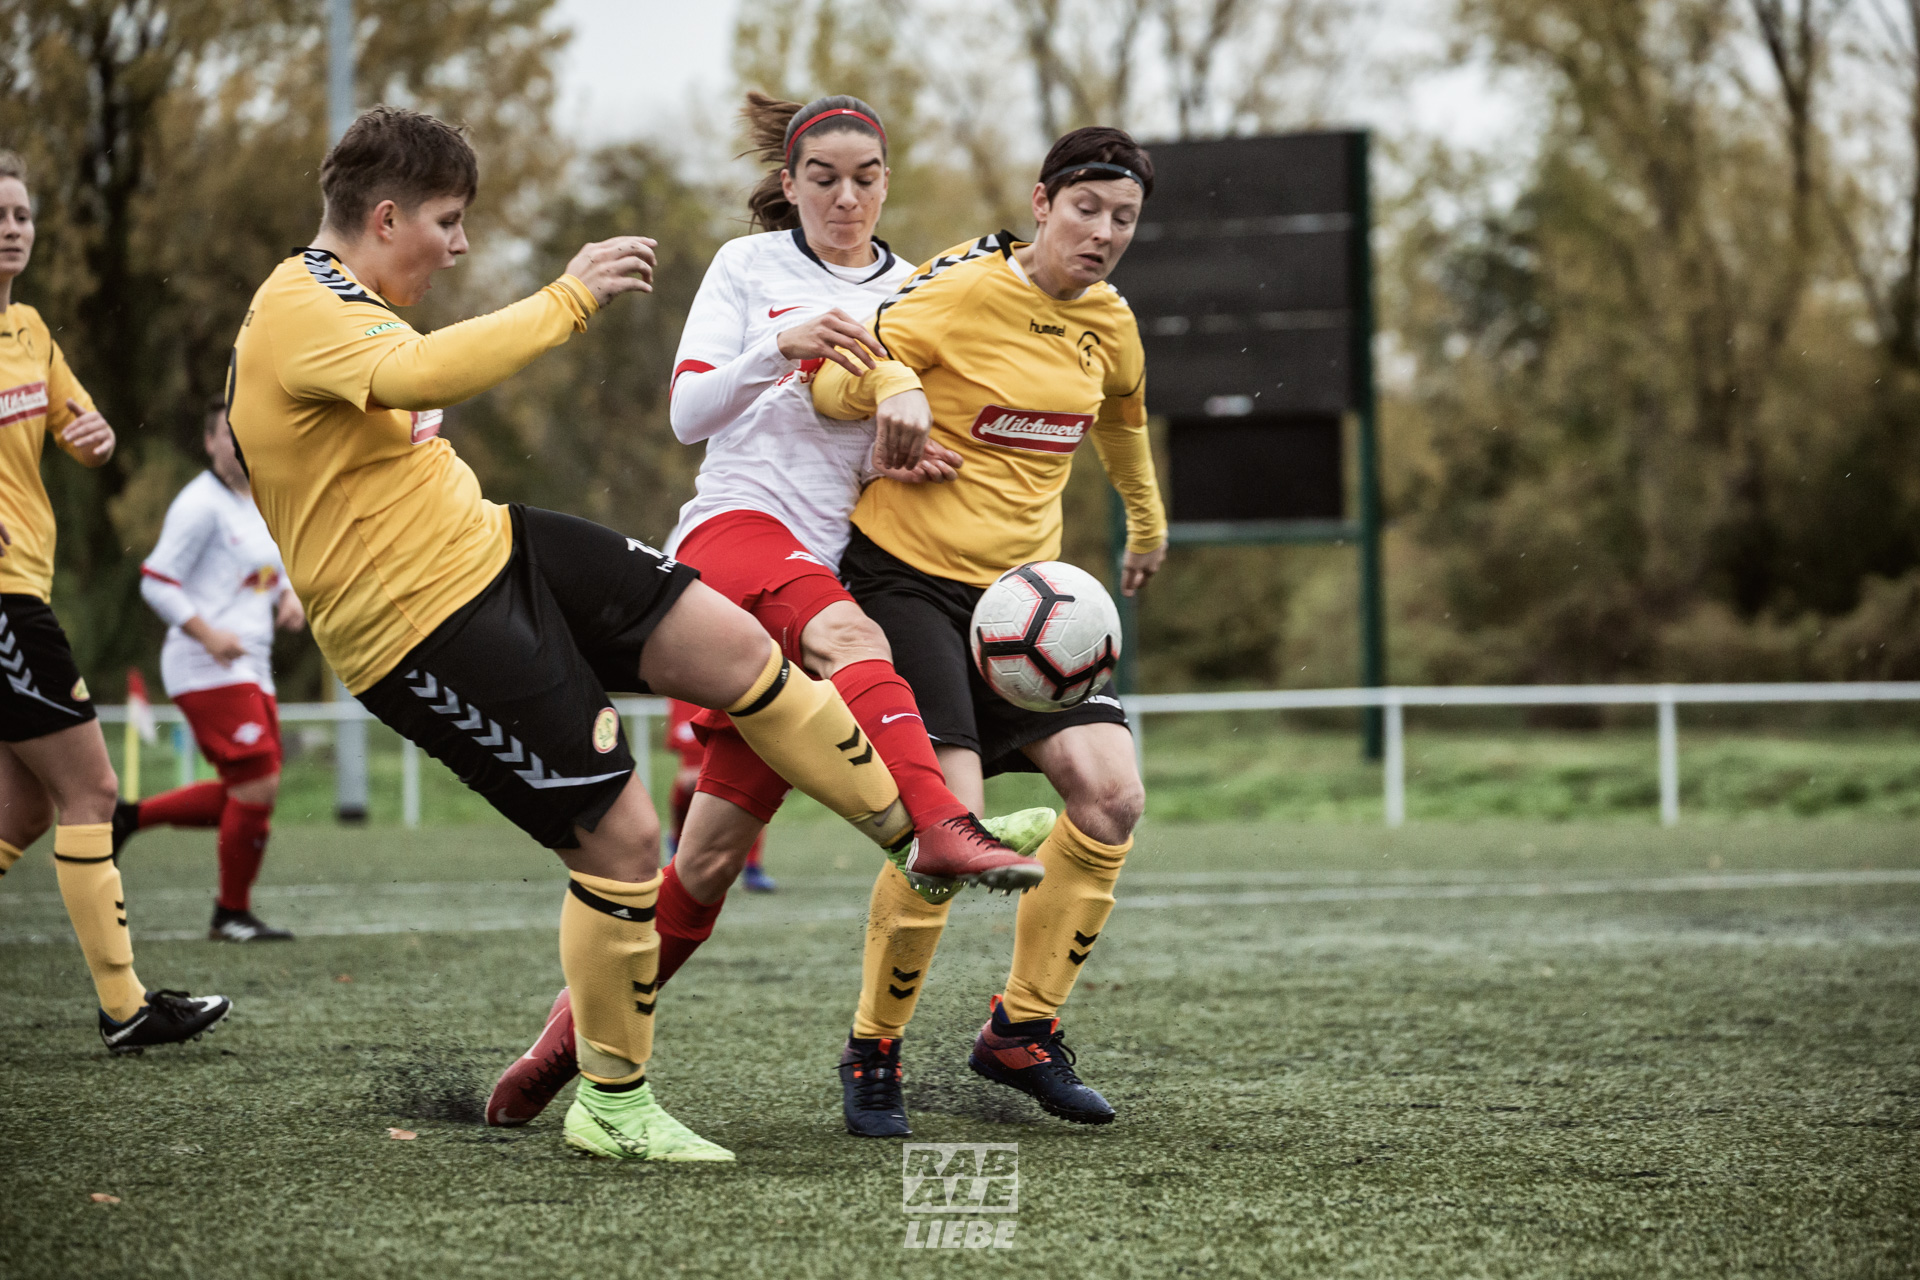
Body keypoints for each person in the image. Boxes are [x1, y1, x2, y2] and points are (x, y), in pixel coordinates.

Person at [228, 105, 996, 1162]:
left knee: (734, 650)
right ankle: (613, 1100)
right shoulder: (297, 309)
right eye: (449, 223)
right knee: (632, 843)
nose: (459, 246)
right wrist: (569, 297)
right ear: (388, 213)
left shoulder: (348, 300)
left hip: (500, 545)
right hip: (424, 627)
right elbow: (423, 375)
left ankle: (922, 832)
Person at [482, 93, 1052, 1132]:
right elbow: (689, 413)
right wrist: (781, 343)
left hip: (824, 560)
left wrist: (913, 446)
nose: (846, 195)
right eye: (823, 177)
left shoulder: (910, 289)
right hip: (739, 537)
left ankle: (548, 1061)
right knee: (855, 638)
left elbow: (877, 429)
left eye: (866, 176)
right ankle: (938, 826)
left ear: (888, 180)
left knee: (701, 869)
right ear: (788, 185)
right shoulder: (749, 270)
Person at [811, 127, 1167, 1133]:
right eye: (1088, 210)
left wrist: (1146, 524)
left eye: (1124, 220)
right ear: (1044, 201)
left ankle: (1022, 1028)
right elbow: (839, 376)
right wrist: (892, 393)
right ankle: (874, 1049)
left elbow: (1124, 420)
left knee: (1112, 795)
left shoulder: (1111, 323)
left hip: (1029, 609)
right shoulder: (958, 287)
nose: (1103, 234)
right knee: (948, 824)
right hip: (910, 584)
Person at [0, 149, 232, 1052]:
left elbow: (85, 438)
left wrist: (91, 437)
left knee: (22, 812)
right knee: (94, 787)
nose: (13, 225)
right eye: (0, 212)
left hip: (25, 588)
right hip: (6, 600)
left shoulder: (31, 332)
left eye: (21, 213)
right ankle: (127, 1006)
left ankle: (127, 1006)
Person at [114, 397, 306, 942]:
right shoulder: (199, 505)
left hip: (251, 666)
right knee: (259, 782)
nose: (240, 445)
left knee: (252, 787)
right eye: (228, 435)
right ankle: (230, 913)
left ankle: (130, 817)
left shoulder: (261, 500)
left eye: (248, 433)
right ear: (209, 443)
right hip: (205, 664)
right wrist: (207, 634)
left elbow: (264, 570)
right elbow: (156, 580)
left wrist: (287, 596)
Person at [663, 698, 773, 891]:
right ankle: (678, 843)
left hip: (738, 710)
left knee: (751, 791)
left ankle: (752, 866)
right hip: (699, 702)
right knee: (689, 784)